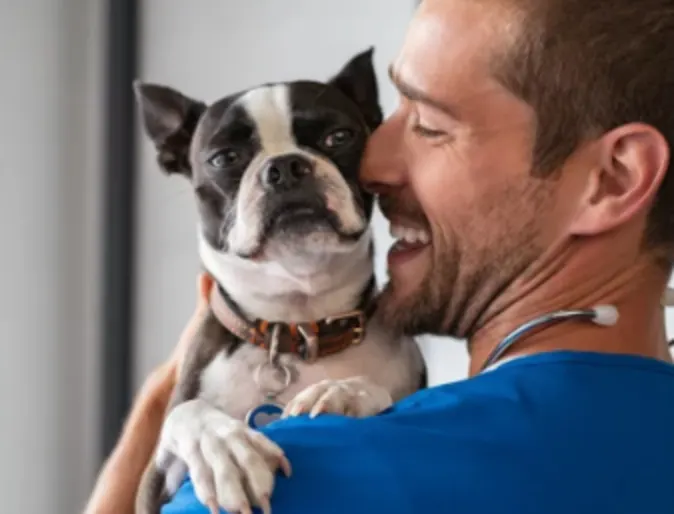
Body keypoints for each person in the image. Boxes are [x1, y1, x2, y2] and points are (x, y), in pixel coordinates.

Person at [85, 0, 674, 512]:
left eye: (429, 125)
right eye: (387, 115)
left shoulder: (279, 479)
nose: (373, 165)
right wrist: (172, 394)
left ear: (613, 179)